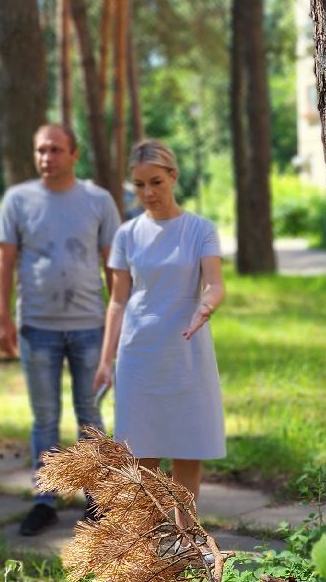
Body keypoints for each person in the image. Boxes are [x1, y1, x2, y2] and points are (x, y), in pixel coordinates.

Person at [0, 123, 124, 536]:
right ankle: (44, 500)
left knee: (90, 414)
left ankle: (98, 497)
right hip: (37, 328)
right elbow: (4, 260)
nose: (46, 157)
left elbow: (114, 265)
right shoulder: (19, 200)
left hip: (90, 326)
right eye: (40, 150)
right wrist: (1, 317)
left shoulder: (97, 200)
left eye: (55, 150)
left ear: (74, 154)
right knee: (45, 417)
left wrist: (119, 323)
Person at [93, 140, 227, 508]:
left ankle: (186, 534)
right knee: (141, 454)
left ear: (173, 177)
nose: (148, 193)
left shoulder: (200, 229)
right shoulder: (127, 234)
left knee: (188, 450)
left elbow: (215, 284)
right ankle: (147, 536)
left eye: (156, 182)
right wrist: (105, 361)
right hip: (139, 354)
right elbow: (117, 301)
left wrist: (205, 307)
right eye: (139, 185)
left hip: (187, 350)